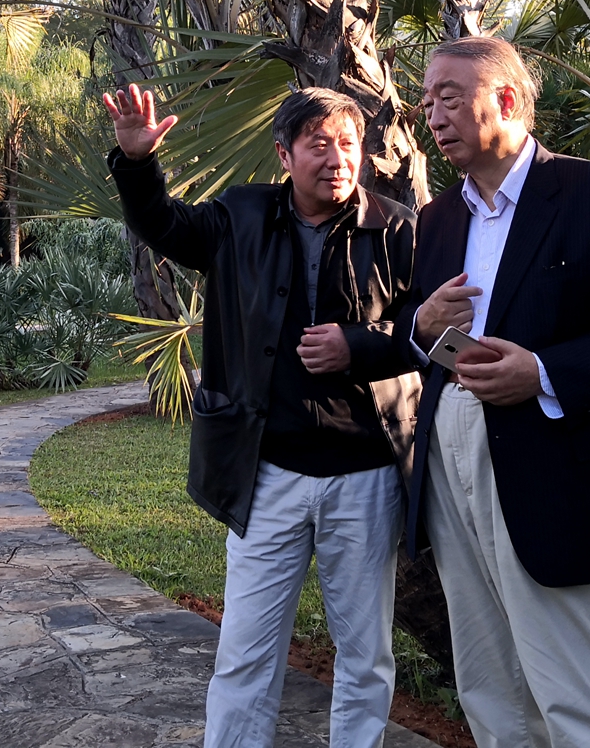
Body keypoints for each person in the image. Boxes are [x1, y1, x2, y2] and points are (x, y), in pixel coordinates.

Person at [103, 83, 420, 748]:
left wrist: (358, 346)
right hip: (268, 473)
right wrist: (136, 163)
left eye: (348, 143)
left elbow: (429, 331)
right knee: (246, 651)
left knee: (365, 655)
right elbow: (164, 224)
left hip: (365, 475)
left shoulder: (396, 228)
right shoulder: (239, 217)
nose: (337, 157)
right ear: (284, 154)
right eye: (318, 144)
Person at [400, 38, 590, 748]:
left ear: (506, 99)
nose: (432, 115)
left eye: (448, 97)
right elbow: (426, 333)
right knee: (490, 684)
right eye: (426, 101)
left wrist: (544, 372)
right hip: (450, 456)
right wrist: (422, 328)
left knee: (579, 691)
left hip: (555, 464)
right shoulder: (440, 218)